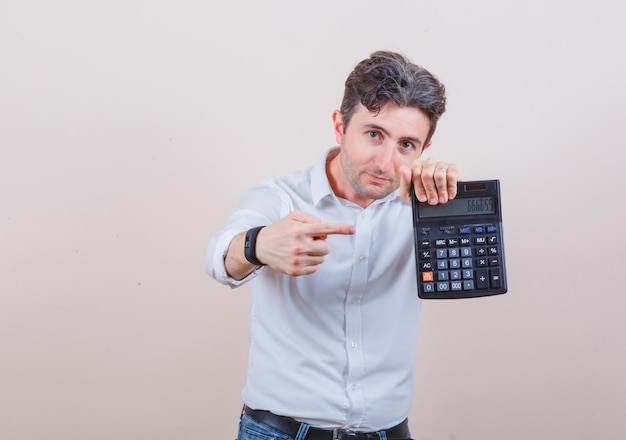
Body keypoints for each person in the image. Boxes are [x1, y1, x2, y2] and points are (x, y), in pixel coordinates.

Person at [206, 50, 460, 440]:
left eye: (407, 145)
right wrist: (259, 244)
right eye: (374, 134)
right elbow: (221, 258)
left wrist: (446, 205)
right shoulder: (280, 197)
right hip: (280, 433)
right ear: (340, 126)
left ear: (424, 150)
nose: (385, 162)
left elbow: (467, 269)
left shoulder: (422, 207)